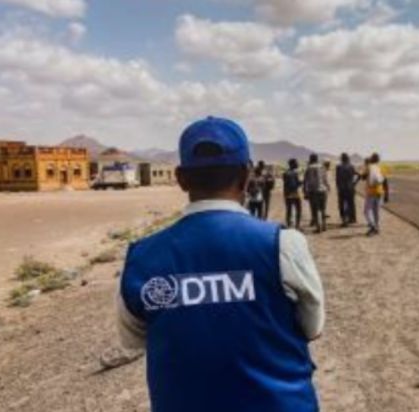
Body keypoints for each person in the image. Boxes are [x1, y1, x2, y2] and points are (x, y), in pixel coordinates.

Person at [117, 116, 325, 412]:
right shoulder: (282, 244)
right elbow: (312, 327)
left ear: (181, 179)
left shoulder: (142, 257)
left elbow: (134, 340)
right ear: (246, 176)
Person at [363, 153, 389, 236]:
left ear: (371, 159)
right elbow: (385, 182)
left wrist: (367, 167)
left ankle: (373, 227)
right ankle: (377, 228)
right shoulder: (382, 168)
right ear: (378, 160)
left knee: (367, 211)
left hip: (370, 193)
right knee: (376, 211)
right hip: (379, 193)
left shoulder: (369, 167)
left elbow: (363, 177)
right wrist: (386, 194)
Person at [303, 153, 330, 233]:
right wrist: (328, 187)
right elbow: (325, 179)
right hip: (323, 190)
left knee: (315, 209)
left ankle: (318, 227)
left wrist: (305, 192)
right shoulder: (322, 167)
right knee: (323, 209)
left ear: (311, 159)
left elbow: (306, 181)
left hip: (313, 191)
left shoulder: (308, 169)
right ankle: (324, 226)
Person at [335, 153, 358, 226]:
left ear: (341, 159)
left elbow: (337, 179)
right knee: (351, 204)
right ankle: (352, 218)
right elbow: (357, 175)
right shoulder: (351, 166)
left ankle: (344, 220)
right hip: (350, 188)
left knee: (342, 204)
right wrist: (354, 183)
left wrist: (338, 187)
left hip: (342, 188)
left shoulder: (338, 167)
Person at [283, 158, 303, 229]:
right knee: (299, 210)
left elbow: (285, 184)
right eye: (296, 163)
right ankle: (297, 225)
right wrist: (302, 182)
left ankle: (288, 224)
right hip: (295, 194)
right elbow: (296, 183)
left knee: (289, 210)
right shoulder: (296, 173)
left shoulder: (285, 173)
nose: (297, 164)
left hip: (287, 194)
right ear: (293, 164)